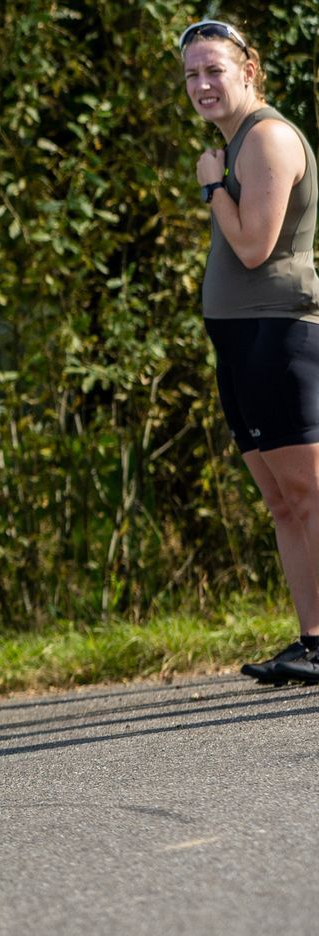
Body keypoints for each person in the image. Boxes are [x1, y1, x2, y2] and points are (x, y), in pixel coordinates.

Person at [182, 22, 319, 684]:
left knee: (309, 495)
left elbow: (255, 247)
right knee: (283, 502)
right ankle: (313, 642)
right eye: (191, 74)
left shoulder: (265, 138)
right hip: (239, 340)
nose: (202, 85)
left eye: (214, 70)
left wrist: (214, 187)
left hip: (278, 333)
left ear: (249, 69)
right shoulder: (234, 142)